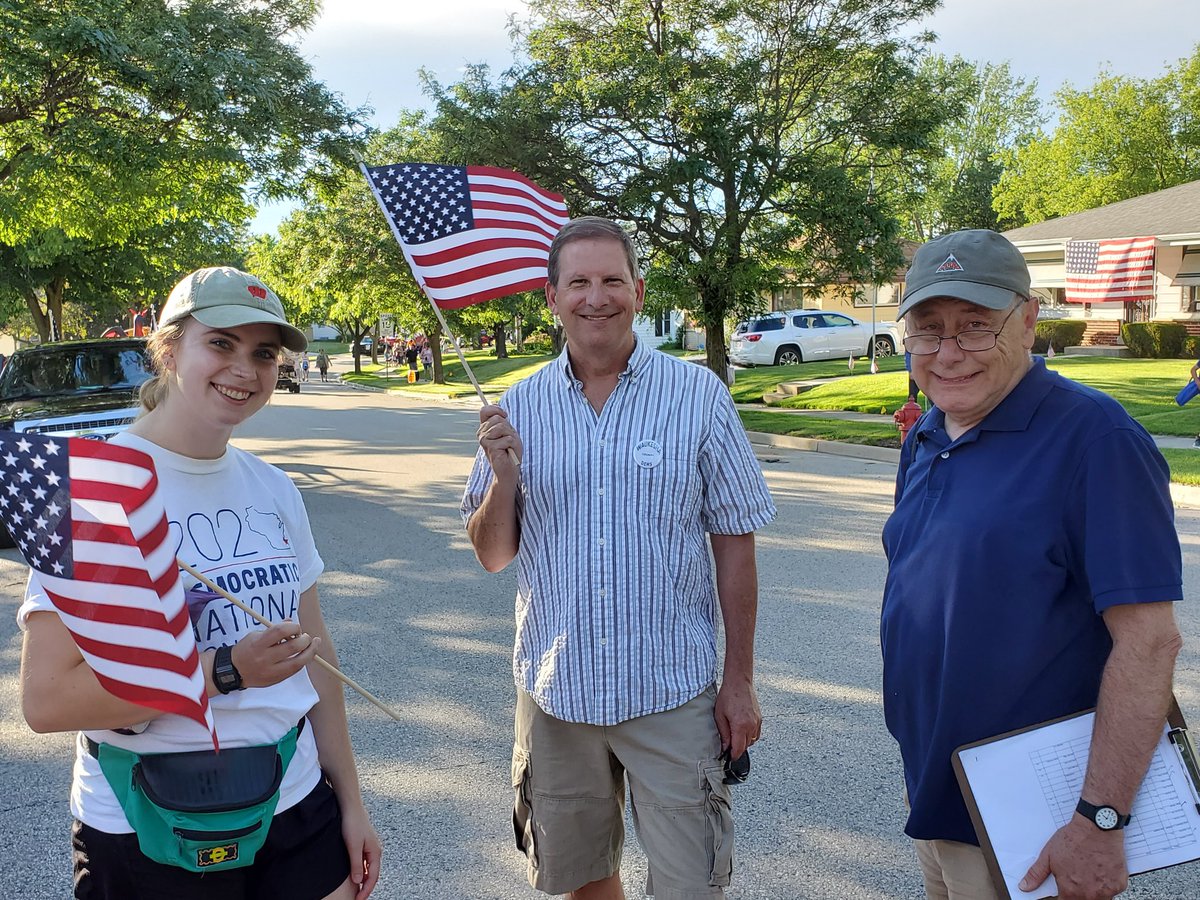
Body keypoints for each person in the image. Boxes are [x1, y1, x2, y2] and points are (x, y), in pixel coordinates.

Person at [18, 266, 381, 900]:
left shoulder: (274, 488)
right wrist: (227, 670)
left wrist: (350, 802)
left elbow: (314, 656)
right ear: (166, 349)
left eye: (263, 353)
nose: (245, 368)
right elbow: (47, 701)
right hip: (148, 823)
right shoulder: (99, 496)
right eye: (221, 343)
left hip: (294, 803)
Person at [462, 216, 776, 900]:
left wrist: (740, 680)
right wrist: (505, 477)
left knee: (692, 884)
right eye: (578, 282)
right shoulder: (516, 408)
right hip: (557, 691)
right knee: (582, 882)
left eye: (612, 280)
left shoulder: (698, 399)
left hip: (672, 690)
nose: (595, 296)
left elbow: (735, 541)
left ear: (637, 290)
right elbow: (492, 555)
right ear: (551, 297)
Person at [880, 229, 1183, 900]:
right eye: (928, 331)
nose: (949, 353)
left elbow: (1149, 642)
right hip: (937, 791)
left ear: (1027, 319)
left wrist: (1099, 821)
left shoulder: (1097, 441)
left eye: (976, 328)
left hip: (1032, 817)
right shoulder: (929, 432)